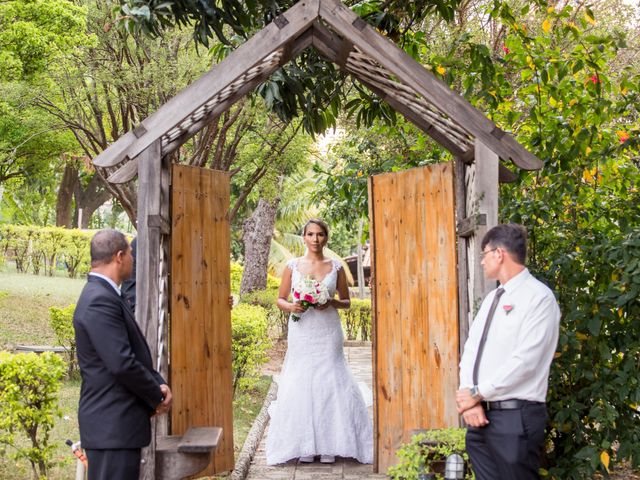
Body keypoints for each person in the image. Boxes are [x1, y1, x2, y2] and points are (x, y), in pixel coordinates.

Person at [456, 224, 560, 480]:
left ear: (499, 254)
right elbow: (471, 349)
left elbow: (525, 363)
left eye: (484, 254)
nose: (481, 262)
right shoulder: (493, 298)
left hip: (516, 417)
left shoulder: (539, 298)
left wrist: (476, 393)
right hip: (479, 417)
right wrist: (472, 399)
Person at [266, 219, 373, 465]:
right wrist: (292, 305)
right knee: (302, 379)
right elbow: (280, 298)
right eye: (311, 234)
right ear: (303, 237)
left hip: (328, 331)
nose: (316, 239)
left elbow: (346, 302)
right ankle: (304, 443)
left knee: (330, 379)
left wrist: (331, 302)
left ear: (326, 237)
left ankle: (330, 444)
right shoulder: (292, 266)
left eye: (321, 234)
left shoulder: (335, 267)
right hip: (302, 330)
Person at [73, 229, 172, 480]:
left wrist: (158, 382)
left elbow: (130, 353)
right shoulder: (99, 300)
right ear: (119, 256)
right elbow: (121, 363)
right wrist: (155, 395)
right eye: (130, 254)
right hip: (111, 426)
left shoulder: (107, 295)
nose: (132, 260)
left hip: (118, 427)